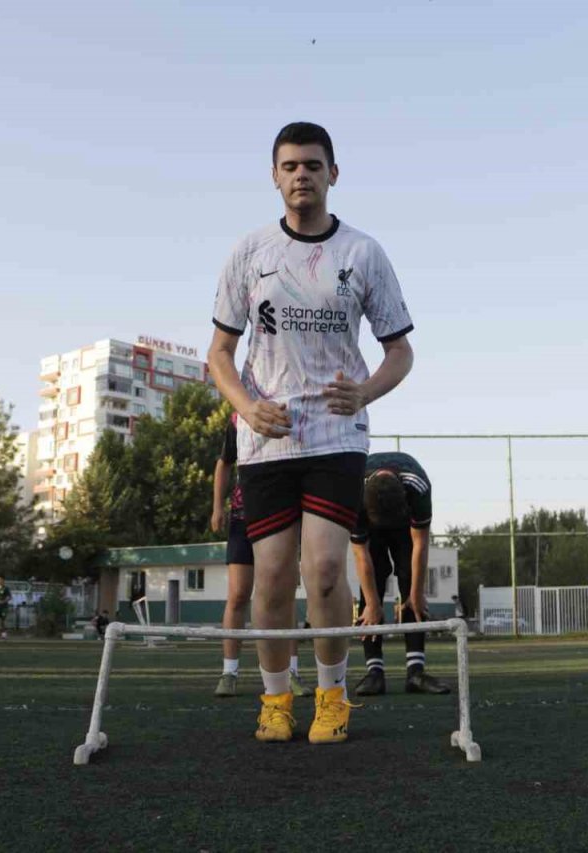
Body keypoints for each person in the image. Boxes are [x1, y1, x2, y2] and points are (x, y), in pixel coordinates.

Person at [208, 121, 415, 744]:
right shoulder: (249, 253)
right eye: (290, 165)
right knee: (270, 577)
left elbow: (400, 352)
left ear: (333, 174)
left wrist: (366, 391)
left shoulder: (363, 253)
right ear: (275, 176)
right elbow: (218, 353)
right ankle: (275, 700)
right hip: (266, 439)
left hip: (336, 435)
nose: (302, 175)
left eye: (313, 165)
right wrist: (246, 406)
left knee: (324, 570)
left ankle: (332, 695)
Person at [211, 413, 312, 698]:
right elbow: (224, 463)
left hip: (282, 513)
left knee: (283, 594)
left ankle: (291, 671)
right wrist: (217, 507)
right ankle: (229, 672)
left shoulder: (295, 410)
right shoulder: (240, 417)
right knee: (239, 594)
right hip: (244, 516)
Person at [351, 452, 450, 695]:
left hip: (404, 528)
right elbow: (361, 555)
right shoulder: (353, 492)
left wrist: (416, 593)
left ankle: (415, 672)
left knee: (410, 584)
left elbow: (420, 545)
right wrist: (373, 604)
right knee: (370, 591)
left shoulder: (417, 486)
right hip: (372, 525)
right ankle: (375, 673)